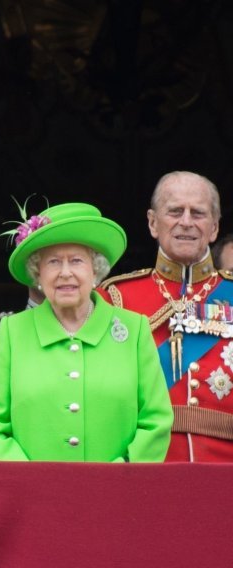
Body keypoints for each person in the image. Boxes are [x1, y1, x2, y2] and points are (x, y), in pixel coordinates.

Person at [0, 202, 173, 462]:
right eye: (53, 262)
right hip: (33, 496)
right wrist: (29, 481)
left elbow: (156, 421)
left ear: (96, 271)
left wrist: (118, 475)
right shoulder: (13, 332)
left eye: (77, 261)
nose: (65, 273)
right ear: (38, 274)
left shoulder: (134, 330)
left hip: (117, 493)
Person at [99, 171, 233, 462]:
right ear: (152, 222)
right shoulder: (112, 299)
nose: (186, 221)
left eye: (198, 213)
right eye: (175, 211)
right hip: (144, 467)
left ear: (213, 228)